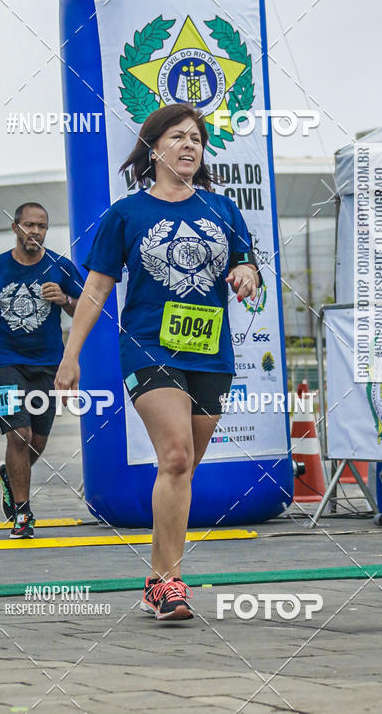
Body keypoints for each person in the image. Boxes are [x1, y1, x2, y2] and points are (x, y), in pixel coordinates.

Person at [55, 103, 261, 621]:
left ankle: (156, 579)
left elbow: (245, 260)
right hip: (151, 347)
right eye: (179, 137)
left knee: (185, 465)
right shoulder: (126, 214)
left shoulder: (222, 209)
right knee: (173, 457)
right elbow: (98, 287)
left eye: (197, 138)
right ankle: (170, 583)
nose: (190, 145)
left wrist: (247, 273)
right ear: (154, 148)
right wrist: (69, 356)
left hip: (211, 353)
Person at [0, 202, 84, 539]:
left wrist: (64, 299)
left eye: (42, 226)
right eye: (29, 225)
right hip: (4, 361)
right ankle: (23, 512)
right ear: (15, 227)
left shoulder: (60, 267)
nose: (35, 231)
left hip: (47, 364)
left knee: (38, 440)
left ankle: (9, 475)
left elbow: (86, 308)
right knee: (19, 435)